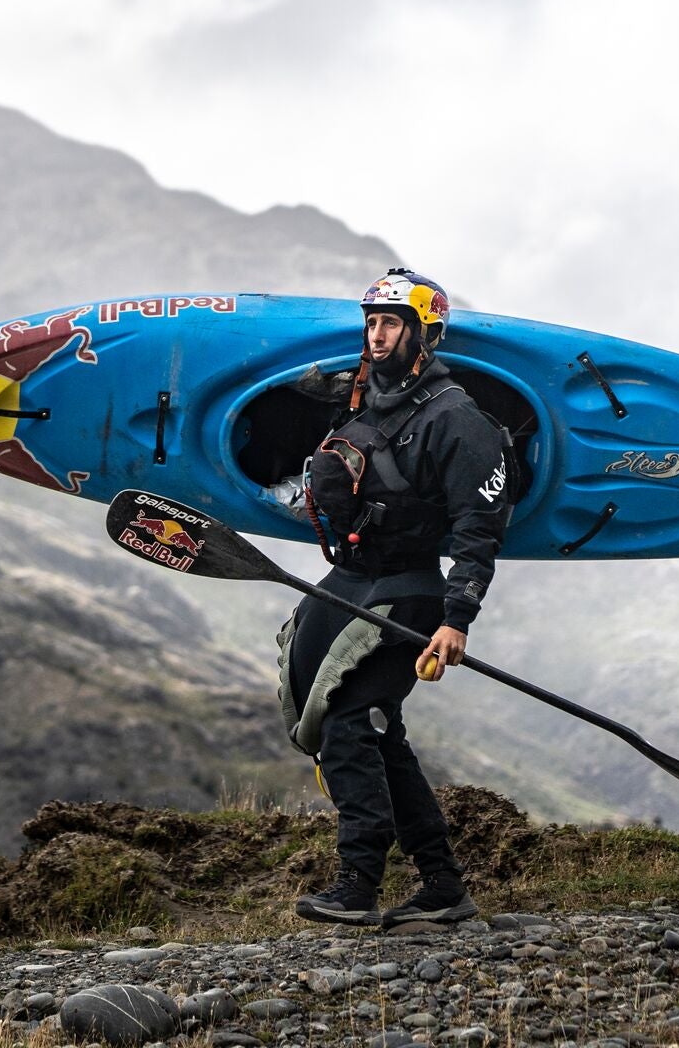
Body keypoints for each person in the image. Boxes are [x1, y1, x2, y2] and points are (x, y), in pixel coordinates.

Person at [278, 267, 511, 927]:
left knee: (351, 719)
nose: (377, 336)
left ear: (422, 335)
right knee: (323, 704)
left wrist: (456, 621)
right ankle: (442, 886)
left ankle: (359, 882)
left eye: (391, 325)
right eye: (372, 323)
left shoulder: (457, 420)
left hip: (408, 589)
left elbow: (477, 528)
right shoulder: (360, 395)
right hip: (353, 576)